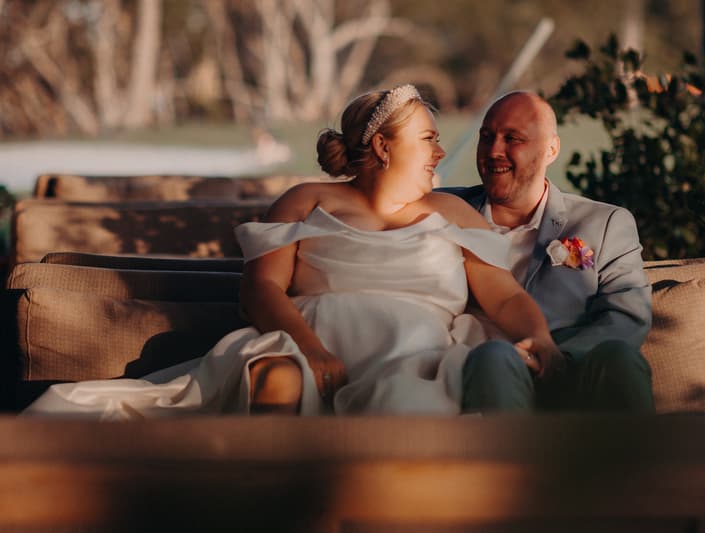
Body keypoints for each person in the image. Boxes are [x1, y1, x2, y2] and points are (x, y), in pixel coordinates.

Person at [23, 85, 562, 419]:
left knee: (409, 402)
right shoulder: (306, 201)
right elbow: (259, 290)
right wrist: (312, 350)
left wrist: (536, 336)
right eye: (428, 138)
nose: (441, 152)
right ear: (383, 146)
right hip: (307, 346)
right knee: (276, 375)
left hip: (418, 358)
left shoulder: (452, 213)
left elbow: (505, 295)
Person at [439, 91, 655, 413]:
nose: (494, 150)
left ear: (551, 150)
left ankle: (639, 464)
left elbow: (627, 316)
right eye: (487, 137)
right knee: (495, 356)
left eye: (512, 138)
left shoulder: (605, 222)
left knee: (619, 358)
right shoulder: (444, 209)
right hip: (483, 371)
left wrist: (557, 356)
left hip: (573, 374)